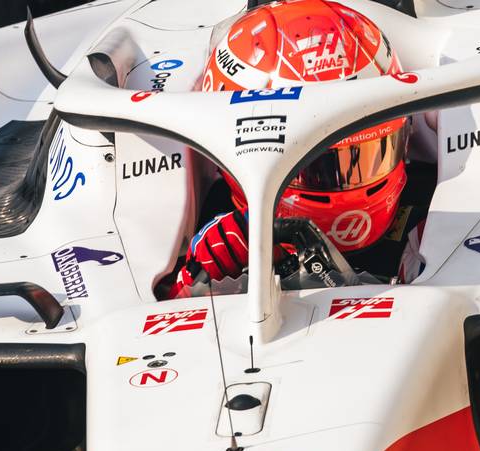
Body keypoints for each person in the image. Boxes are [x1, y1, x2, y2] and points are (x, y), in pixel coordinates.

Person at [167, 0, 429, 297]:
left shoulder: (430, 227)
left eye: (371, 154)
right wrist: (191, 286)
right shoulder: (216, 238)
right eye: (319, 167)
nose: (348, 184)